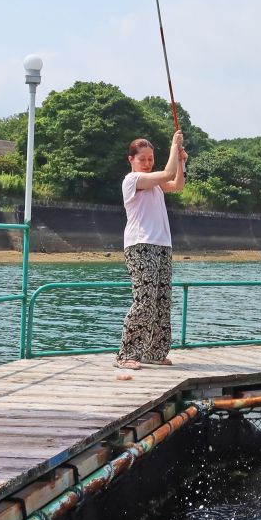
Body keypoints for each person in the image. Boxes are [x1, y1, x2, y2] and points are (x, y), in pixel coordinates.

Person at [116, 130, 187, 370]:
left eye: (150, 159)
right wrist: (174, 146)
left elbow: (176, 184)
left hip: (162, 246)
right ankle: (126, 354)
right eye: (142, 159)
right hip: (141, 246)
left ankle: (154, 352)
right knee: (144, 301)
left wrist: (181, 161)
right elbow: (167, 173)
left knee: (161, 301)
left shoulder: (155, 185)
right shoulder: (132, 181)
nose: (147, 163)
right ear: (131, 160)